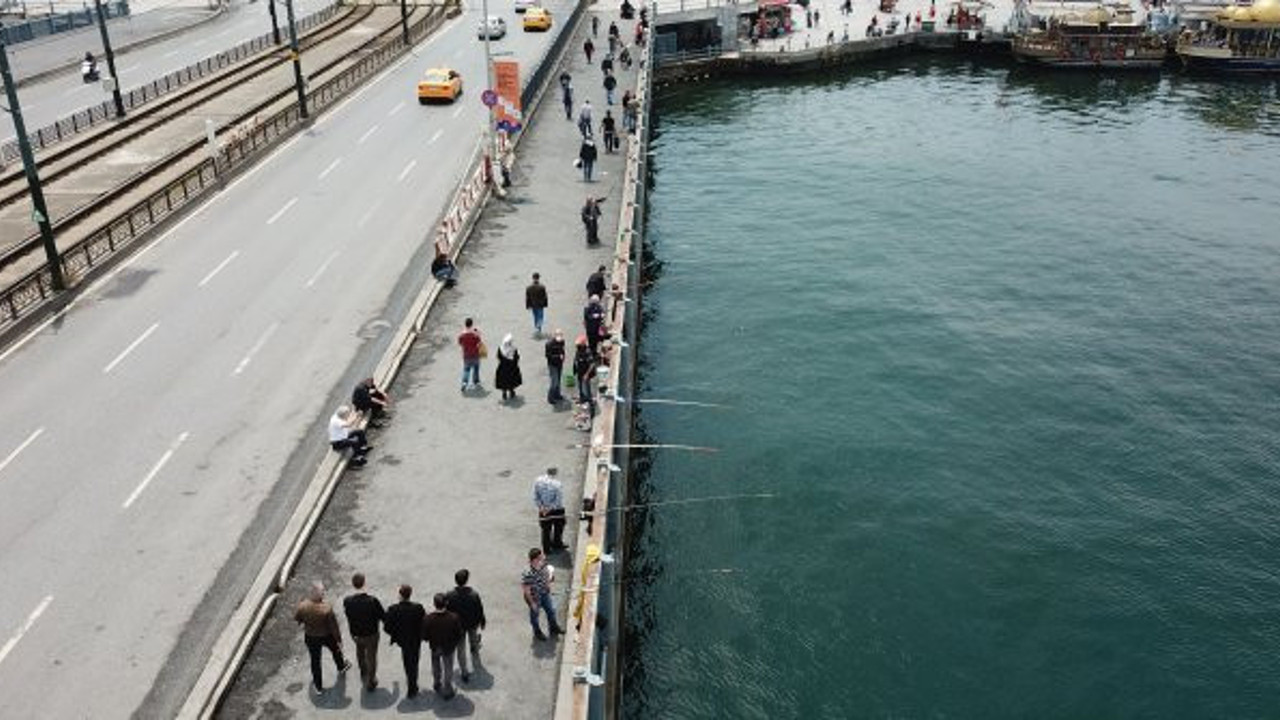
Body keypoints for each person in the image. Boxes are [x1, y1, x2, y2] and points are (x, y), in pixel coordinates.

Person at [295, 582, 351, 692]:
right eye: (323, 592)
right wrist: (339, 640)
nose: (324, 593)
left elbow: (298, 619)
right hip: (326, 635)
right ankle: (341, 667)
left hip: (311, 637)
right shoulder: (327, 608)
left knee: (315, 661)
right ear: (319, 594)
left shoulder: (303, 606)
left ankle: (318, 687)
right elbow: (334, 626)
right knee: (336, 650)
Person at [343, 573, 386, 692]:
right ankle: (371, 681)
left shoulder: (347, 601)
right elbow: (383, 617)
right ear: (364, 583)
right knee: (371, 657)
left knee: (360, 652)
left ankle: (363, 671)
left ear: (353, 584)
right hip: (371, 634)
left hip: (356, 634)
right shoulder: (372, 601)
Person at [445, 570, 487, 683]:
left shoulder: (449, 595)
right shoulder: (474, 594)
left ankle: (464, 672)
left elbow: (447, 611)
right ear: (467, 580)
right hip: (472, 623)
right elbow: (479, 609)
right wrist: (482, 621)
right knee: (473, 638)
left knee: (461, 649)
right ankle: (474, 651)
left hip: (458, 626)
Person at [384, 584, 425, 697]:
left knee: (407, 661)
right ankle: (413, 684)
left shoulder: (393, 609)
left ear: (400, 595)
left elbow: (387, 628)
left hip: (402, 641)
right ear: (410, 594)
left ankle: (411, 684)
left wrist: (396, 635)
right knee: (414, 661)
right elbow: (424, 623)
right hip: (415, 639)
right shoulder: (418, 608)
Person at [422, 593, 463, 699]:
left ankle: (437, 683)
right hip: (448, 648)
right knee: (448, 668)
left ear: (434, 604)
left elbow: (425, 636)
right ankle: (447, 689)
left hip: (435, 647)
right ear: (446, 603)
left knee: (436, 666)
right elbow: (459, 634)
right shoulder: (454, 617)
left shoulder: (428, 618)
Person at [522, 548, 565, 641]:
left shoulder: (543, 564)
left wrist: (549, 581)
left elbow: (547, 574)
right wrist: (532, 603)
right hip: (534, 597)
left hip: (544, 593)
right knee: (535, 616)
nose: (544, 558)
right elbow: (526, 590)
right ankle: (537, 632)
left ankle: (553, 627)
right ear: (535, 560)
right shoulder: (528, 573)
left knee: (551, 611)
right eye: (541, 557)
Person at [534, 467, 567, 553]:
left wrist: (541, 507)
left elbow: (536, 496)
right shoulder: (557, 484)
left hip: (543, 510)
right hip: (556, 510)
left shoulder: (538, 481)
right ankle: (557, 543)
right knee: (558, 527)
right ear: (555, 473)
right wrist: (549, 509)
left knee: (545, 530)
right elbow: (558, 500)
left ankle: (546, 548)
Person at [457, 317, 483, 392]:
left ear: (465, 324)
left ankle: (464, 382)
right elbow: (479, 343)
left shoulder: (462, 335)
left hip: (466, 355)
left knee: (466, 369)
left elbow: (460, 342)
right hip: (475, 354)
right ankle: (476, 382)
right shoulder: (475, 334)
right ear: (471, 324)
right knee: (476, 368)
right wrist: (478, 333)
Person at [495, 333, 523, 402]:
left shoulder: (501, 348)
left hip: (503, 367)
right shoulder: (513, 348)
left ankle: (504, 393)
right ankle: (511, 391)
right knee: (512, 379)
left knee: (503, 380)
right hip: (512, 367)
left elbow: (498, 356)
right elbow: (516, 357)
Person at [573, 335, 596, 408]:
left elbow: (592, 364)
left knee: (586, 388)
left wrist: (587, 374)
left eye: (578, 344)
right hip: (579, 372)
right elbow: (576, 360)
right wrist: (575, 370)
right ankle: (582, 398)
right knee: (580, 387)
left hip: (585, 373)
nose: (577, 346)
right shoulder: (578, 350)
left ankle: (589, 402)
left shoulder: (587, 352)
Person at [545, 328, 567, 404]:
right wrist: (558, 356)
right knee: (554, 381)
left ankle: (557, 395)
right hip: (552, 365)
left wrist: (563, 356)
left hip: (559, 364)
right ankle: (550, 398)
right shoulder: (549, 344)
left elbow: (562, 350)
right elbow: (548, 356)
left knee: (558, 380)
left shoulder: (562, 342)